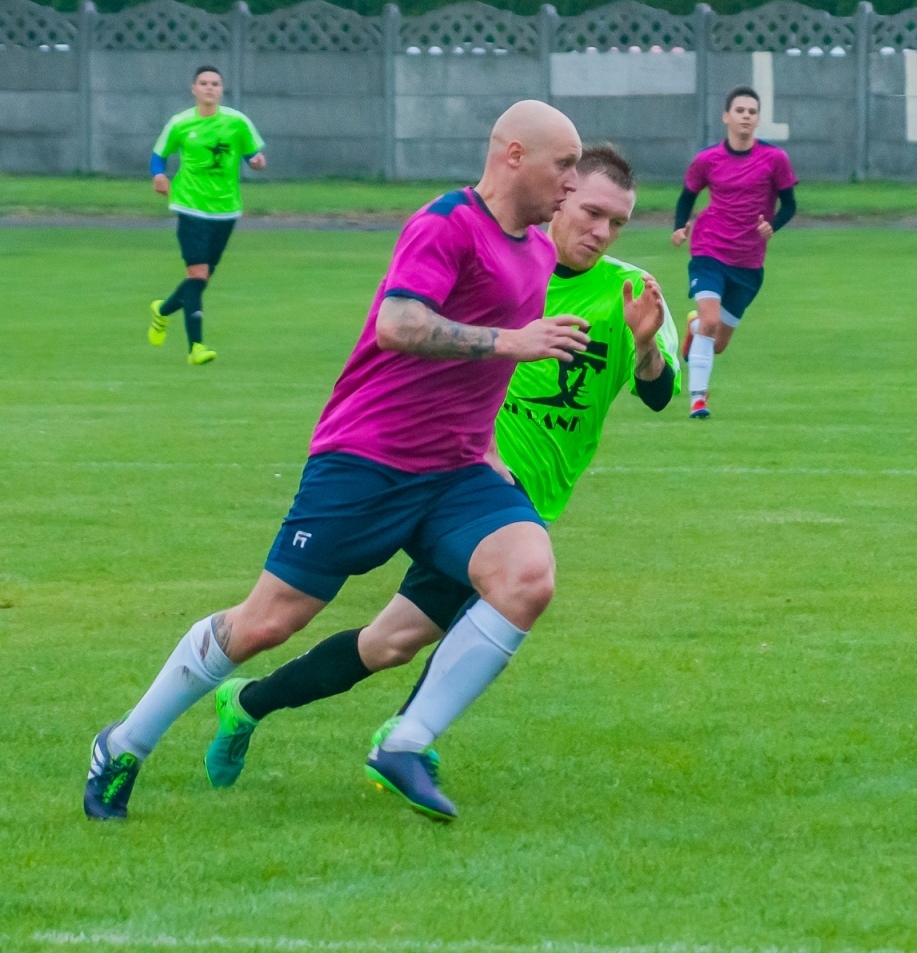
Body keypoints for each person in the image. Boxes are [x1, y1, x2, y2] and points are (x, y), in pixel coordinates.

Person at [85, 100, 588, 823]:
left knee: (527, 574)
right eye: (563, 164)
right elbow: (398, 323)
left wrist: (488, 448)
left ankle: (404, 743)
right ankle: (124, 743)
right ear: (513, 155)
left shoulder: (537, 250)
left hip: (452, 473)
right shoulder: (447, 224)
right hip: (367, 460)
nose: (572, 184)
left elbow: (486, 372)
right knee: (264, 625)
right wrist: (512, 342)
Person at [200, 146, 679, 808]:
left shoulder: (631, 291)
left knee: (388, 643)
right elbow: (410, 330)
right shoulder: (501, 264)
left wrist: (647, 345)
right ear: (557, 194)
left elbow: (659, 394)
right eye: (591, 212)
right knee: (393, 626)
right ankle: (407, 743)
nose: (601, 232)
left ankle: (247, 704)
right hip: (450, 485)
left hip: (516, 505)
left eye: (618, 223)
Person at [671, 85, 797, 419]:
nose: (746, 116)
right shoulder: (707, 159)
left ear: (757, 120)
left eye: (752, 112)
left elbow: (790, 204)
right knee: (712, 319)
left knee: (718, 342)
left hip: (749, 261)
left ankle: (696, 328)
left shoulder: (774, 160)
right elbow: (688, 195)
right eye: (740, 110)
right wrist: (680, 226)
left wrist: (773, 225)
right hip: (709, 249)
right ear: (727, 116)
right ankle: (698, 399)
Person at [146, 65, 268, 366]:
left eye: (214, 83)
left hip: (225, 209)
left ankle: (162, 311)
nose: (209, 88)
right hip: (189, 205)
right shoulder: (180, 123)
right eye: (203, 83)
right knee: (197, 275)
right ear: (194, 89)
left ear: (221, 89)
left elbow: (252, 154)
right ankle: (196, 347)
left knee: (200, 280)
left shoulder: (237, 122)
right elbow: (158, 156)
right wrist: (159, 175)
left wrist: (256, 161)